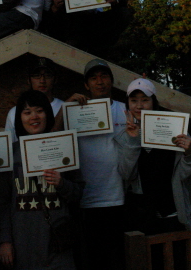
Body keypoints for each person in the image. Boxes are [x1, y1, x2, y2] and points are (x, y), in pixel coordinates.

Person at [0, 90, 83, 270]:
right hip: (23, 245)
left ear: (47, 114)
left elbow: (78, 193)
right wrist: (5, 240)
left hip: (59, 243)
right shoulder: (10, 154)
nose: (34, 117)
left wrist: (62, 183)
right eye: (27, 112)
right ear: (19, 118)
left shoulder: (64, 147)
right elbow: (2, 202)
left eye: (39, 111)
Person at [60, 58, 130, 270]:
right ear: (86, 84)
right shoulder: (74, 112)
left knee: (119, 260)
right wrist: (65, 107)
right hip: (86, 201)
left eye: (104, 76)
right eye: (93, 78)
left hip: (119, 199)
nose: (100, 81)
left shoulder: (125, 110)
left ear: (111, 81)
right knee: (92, 261)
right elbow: (51, 137)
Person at [122, 78, 191, 234]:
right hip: (143, 214)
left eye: (145, 100)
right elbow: (126, 174)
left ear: (154, 102)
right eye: (134, 100)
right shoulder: (124, 135)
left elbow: (188, 176)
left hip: (173, 212)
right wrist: (132, 141)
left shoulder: (175, 128)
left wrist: (189, 153)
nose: (139, 106)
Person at [4, 56, 64, 141]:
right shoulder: (14, 112)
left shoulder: (65, 107)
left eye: (47, 75)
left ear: (55, 79)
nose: (42, 80)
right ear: (29, 80)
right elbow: (10, 144)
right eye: (36, 76)